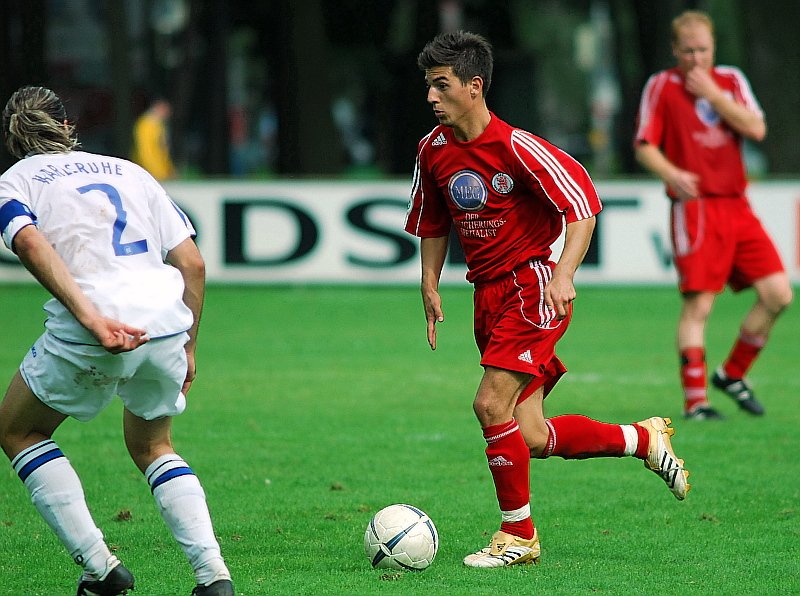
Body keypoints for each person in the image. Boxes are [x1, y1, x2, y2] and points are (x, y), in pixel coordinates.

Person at [405, 31, 690, 568]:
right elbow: (433, 219)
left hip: (530, 289)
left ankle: (519, 536)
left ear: (474, 86)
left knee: (490, 405)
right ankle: (643, 439)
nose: (431, 97)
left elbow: (582, 203)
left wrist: (563, 275)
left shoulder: (517, 146)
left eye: (441, 85)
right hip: (487, 296)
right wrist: (429, 281)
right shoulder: (433, 149)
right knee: (531, 435)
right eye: (429, 86)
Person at [0, 86, 233, 596]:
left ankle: (100, 568)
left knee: (19, 431)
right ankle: (213, 576)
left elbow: (29, 242)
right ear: (67, 126)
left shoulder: (15, 181)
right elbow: (192, 263)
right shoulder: (129, 171)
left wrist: (92, 319)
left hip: (94, 329)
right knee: (153, 445)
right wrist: (188, 346)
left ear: (12, 140)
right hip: (165, 324)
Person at [634, 10, 792, 420]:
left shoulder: (731, 81)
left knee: (778, 294)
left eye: (703, 50)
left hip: (737, 205)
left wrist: (714, 96)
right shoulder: (662, 85)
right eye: (688, 51)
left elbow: (757, 129)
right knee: (699, 306)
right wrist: (672, 173)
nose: (696, 58)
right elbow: (644, 144)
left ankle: (732, 374)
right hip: (696, 210)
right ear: (675, 50)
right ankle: (696, 403)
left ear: (714, 48)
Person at [132, 97, 177, 181]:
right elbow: (145, 151)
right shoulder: (146, 125)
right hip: (150, 174)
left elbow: (163, 151)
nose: (168, 114)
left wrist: (169, 170)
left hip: (159, 173)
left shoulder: (158, 125)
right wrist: (156, 173)